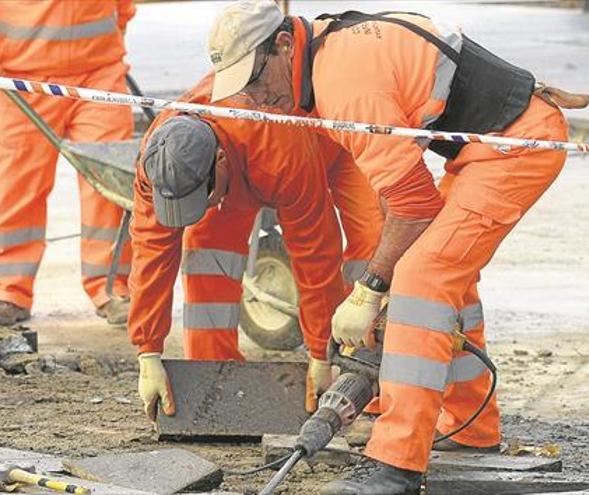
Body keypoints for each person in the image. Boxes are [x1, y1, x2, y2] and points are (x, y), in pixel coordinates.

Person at [206, 2, 589, 493]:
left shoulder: (344, 83)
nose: (260, 98)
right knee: (444, 270)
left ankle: (397, 465)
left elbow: (414, 206)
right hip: (494, 141)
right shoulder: (334, 50)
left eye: (257, 81)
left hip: (517, 145)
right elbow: (399, 197)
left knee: (423, 277)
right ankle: (472, 428)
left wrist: (369, 290)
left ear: (283, 45)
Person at [128, 74, 382, 420]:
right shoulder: (161, 160)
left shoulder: (278, 150)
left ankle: (366, 385)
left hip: (335, 144)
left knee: (374, 253)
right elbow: (150, 256)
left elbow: (315, 257)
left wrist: (321, 355)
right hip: (238, 166)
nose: (194, 211)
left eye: (199, 199)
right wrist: (148, 354)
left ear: (218, 162)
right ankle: (213, 378)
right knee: (205, 254)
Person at [0, 1, 137, 325]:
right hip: (21, 80)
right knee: (18, 189)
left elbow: (123, 8)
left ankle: (111, 287)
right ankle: (9, 290)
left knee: (111, 185)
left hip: (98, 76)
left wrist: (108, 48)